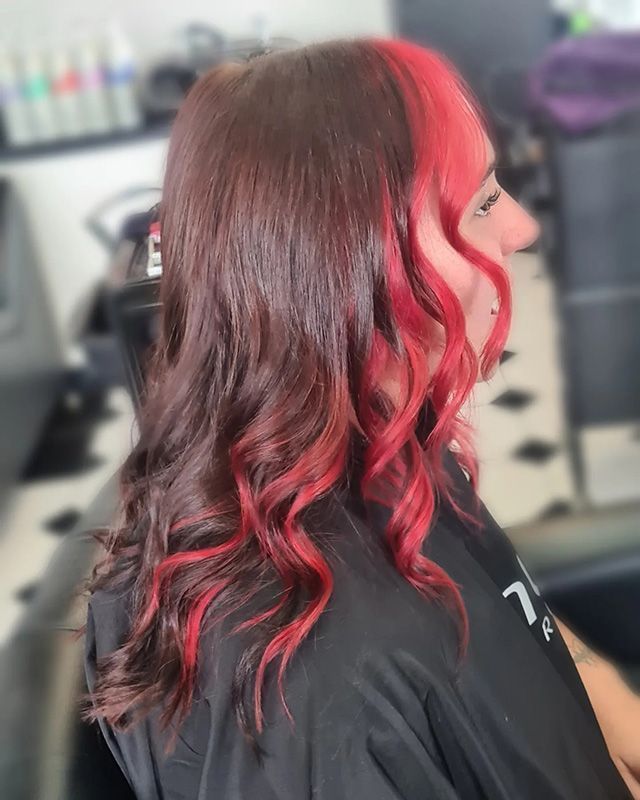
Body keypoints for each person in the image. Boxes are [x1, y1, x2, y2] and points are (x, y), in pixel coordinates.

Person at [84, 39, 640, 799]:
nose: (520, 228)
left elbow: (506, 604)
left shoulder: (364, 427)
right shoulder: (326, 709)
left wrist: (618, 717)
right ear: (355, 270)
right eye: (478, 203)